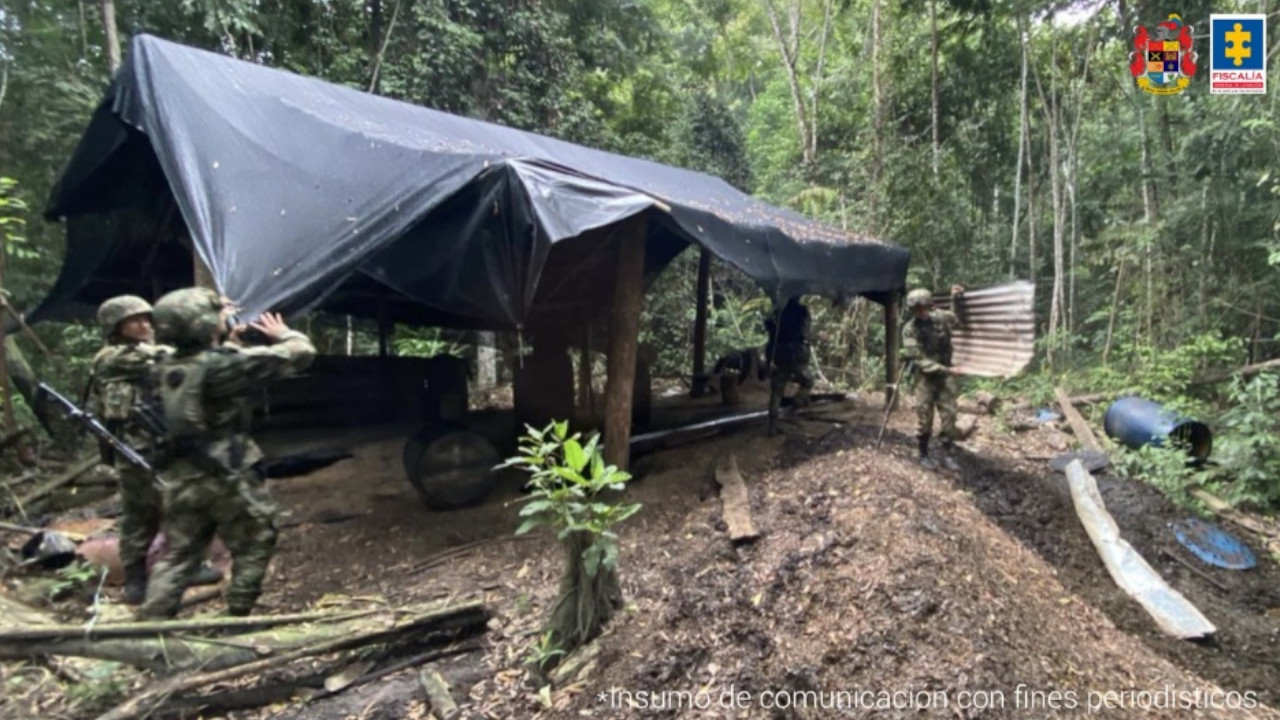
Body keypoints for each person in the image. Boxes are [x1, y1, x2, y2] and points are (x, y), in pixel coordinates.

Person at [137, 288, 315, 619]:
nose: (224, 318)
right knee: (256, 539)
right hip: (226, 473)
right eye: (218, 316)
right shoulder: (221, 367)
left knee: (179, 554)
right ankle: (236, 618)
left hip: (180, 476)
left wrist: (229, 342)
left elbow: (203, 373)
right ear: (202, 324)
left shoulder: (160, 365)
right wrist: (282, 333)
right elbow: (301, 353)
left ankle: (152, 623)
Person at [89, 295, 223, 604]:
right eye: (134, 320)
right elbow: (174, 356)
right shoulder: (113, 357)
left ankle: (188, 567)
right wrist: (206, 320)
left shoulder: (143, 354)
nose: (144, 325)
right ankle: (136, 582)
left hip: (165, 445)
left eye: (147, 319)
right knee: (140, 515)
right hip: (135, 450)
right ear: (115, 326)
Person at [901, 285, 965, 471]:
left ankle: (947, 453)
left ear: (931, 306)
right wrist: (947, 370)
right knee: (924, 417)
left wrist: (956, 300)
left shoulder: (941, 317)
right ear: (912, 310)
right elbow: (918, 358)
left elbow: (958, 321)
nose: (921, 312)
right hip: (926, 377)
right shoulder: (909, 329)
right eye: (917, 309)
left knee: (950, 415)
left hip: (945, 375)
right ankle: (923, 453)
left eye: (924, 308)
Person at [764, 296, 814, 435]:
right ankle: (795, 405)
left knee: (777, 389)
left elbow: (770, 334)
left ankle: (772, 426)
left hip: (780, 353)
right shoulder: (802, 311)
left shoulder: (778, 312)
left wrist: (769, 359)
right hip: (795, 353)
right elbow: (805, 333)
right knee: (808, 381)